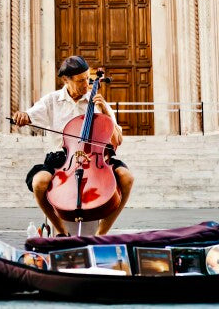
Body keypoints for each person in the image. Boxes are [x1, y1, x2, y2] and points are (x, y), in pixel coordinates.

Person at [12, 56, 133, 237]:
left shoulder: (98, 103)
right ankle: (61, 231)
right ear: (66, 80)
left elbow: (118, 139)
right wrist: (22, 116)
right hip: (62, 159)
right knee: (39, 183)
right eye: (80, 81)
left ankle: (101, 234)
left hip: (94, 157)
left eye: (87, 78)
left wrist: (106, 112)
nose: (86, 84)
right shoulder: (51, 101)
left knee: (126, 178)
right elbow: (30, 116)